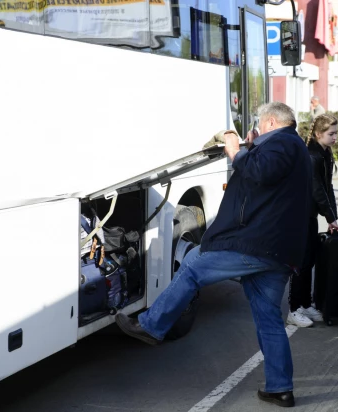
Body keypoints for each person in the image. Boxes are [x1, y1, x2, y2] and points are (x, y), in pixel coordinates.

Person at [115, 102, 312, 408]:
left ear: (271, 122)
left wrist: (236, 151)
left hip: (258, 245)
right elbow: (267, 179)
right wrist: (251, 146)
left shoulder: (284, 142)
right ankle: (279, 388)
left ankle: (152, 326)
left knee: (193, 265)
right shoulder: (291, 146)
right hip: (277, 250)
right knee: (269, 320)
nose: (258, 129)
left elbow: (261, 172)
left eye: (261, 124)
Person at [287, 114, 338, 328]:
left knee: (309, 260)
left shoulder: (325, 152)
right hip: (299, 214)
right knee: (300, 262)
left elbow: (328, 188)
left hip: (309, 215)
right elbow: (317, 189)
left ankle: (305, 303)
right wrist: (330, 216)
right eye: (331, 134)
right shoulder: (311, 155)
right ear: (319, 134)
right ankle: (293, 309)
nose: (335, 137)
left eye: (336, 133)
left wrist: (332, 217)